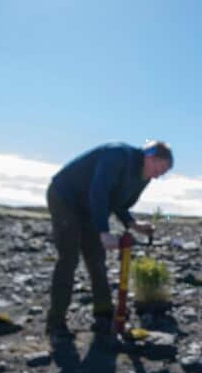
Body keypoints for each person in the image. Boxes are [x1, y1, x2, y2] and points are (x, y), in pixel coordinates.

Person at [45, 140, 173, 340]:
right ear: (151, 156)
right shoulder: (118, 155)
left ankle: (103, 313)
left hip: (89, 208)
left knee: (96, 258)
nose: (158, 175)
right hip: (65, 197)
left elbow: (118, 204)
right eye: (160, 168)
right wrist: (103, 232)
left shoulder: (143, 177)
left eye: (164, 173)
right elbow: (100, 190)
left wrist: (134, 225)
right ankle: (56, 322)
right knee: (69, 258)